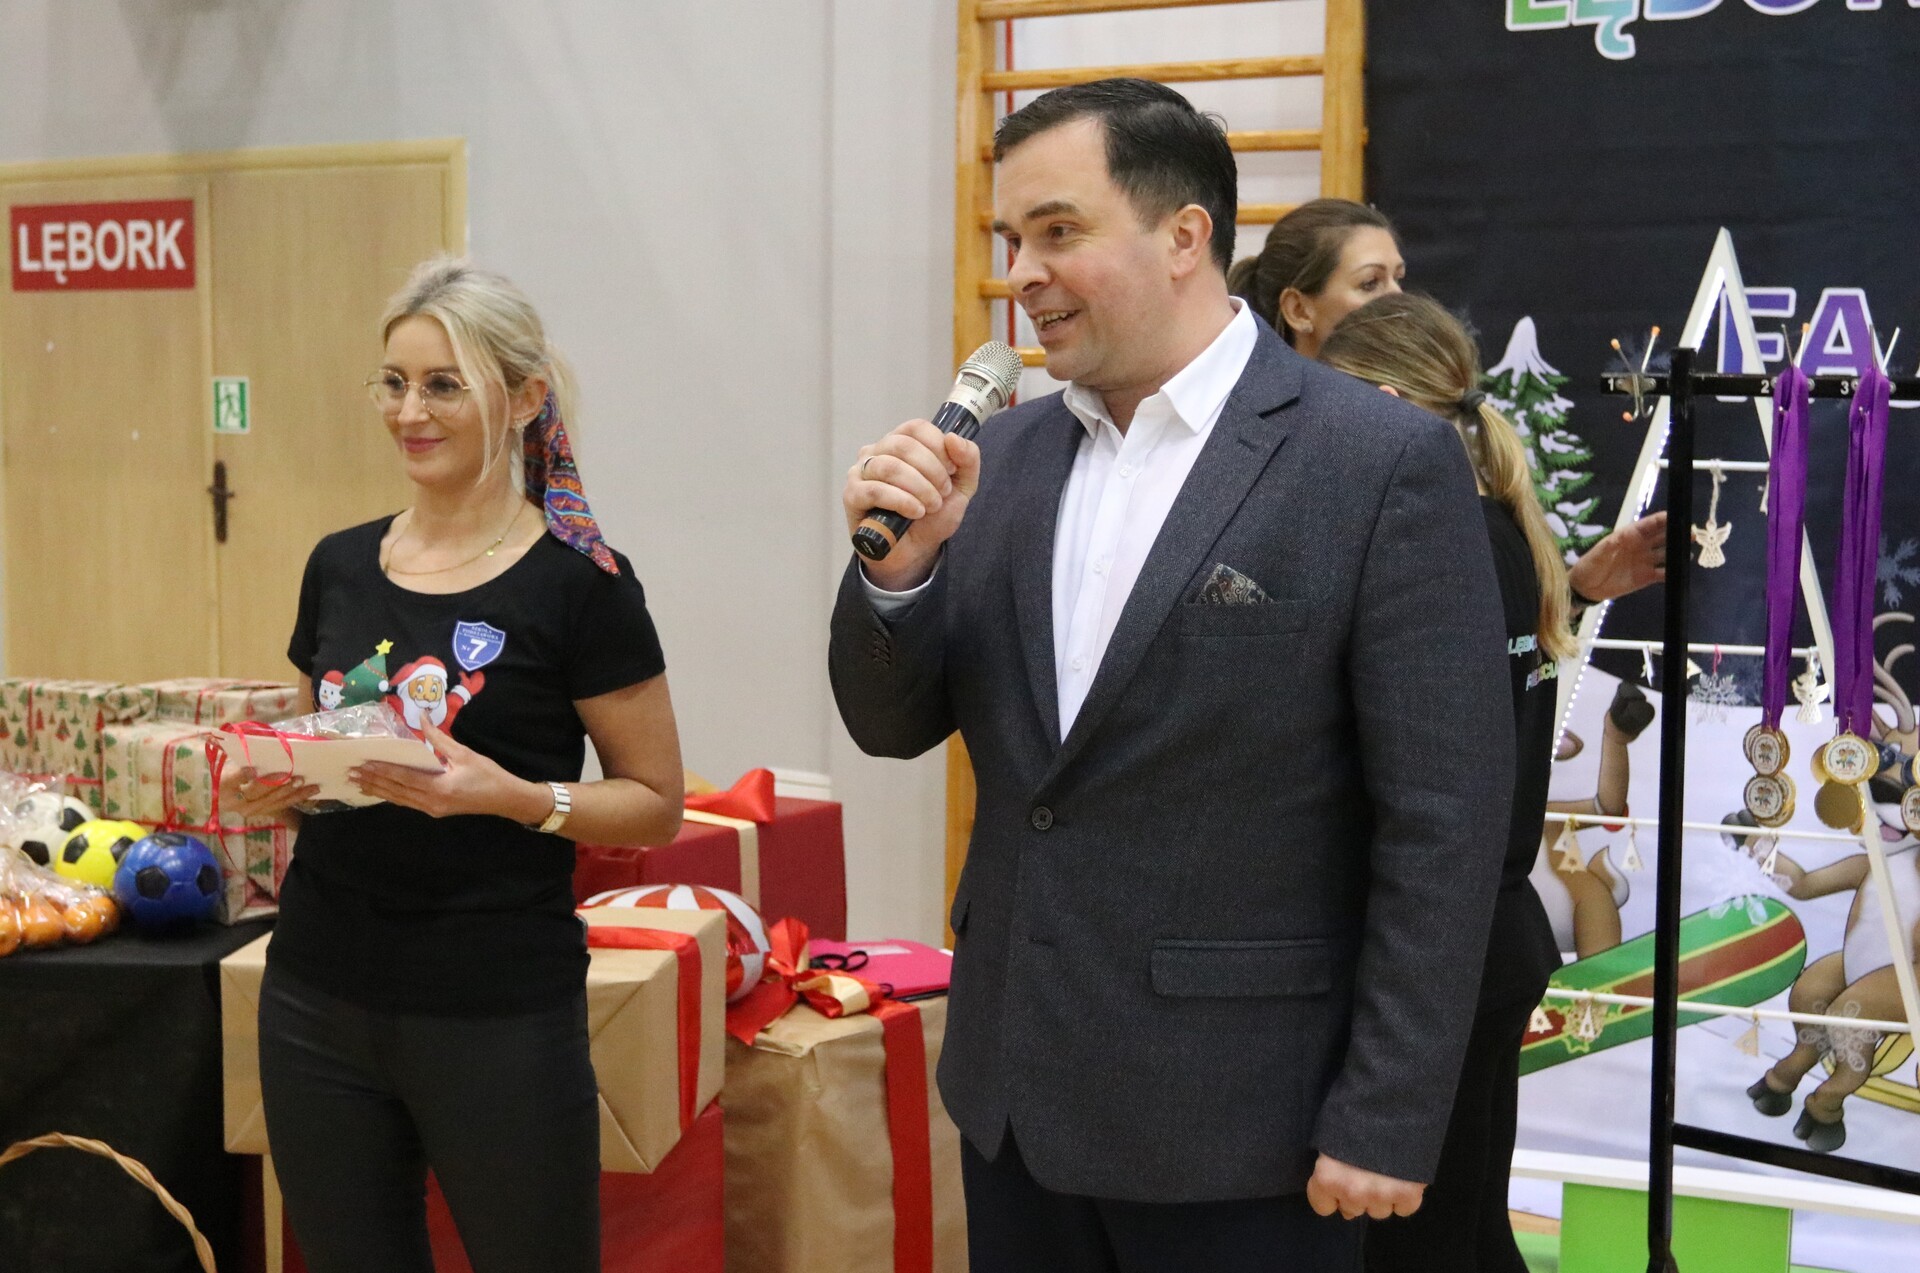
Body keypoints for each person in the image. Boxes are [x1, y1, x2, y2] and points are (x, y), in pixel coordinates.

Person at [830, 78, 1514, 1272]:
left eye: (1059, 230)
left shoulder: (1373, 460)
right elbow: (890, 725)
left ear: (1185, 235)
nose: (1023, 274)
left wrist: (1390, 1111)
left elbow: (1444, 821)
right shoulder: (1002, 456)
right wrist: (899, 575)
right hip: (1015, 1100)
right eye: (1013, 239)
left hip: (1248, 1125)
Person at [222, 258, 684, 1273]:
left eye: (443, 385)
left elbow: (655, 803)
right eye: (394, 382)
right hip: (317, 996)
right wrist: (280, 791)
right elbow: (329, 764)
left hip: (496, 1008)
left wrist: (513, 798)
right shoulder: (339, 564)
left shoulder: (583, 585)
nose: (409, 412)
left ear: (521, 398)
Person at [1318, 292, 1659, 1273]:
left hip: (1443, 948)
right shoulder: (1500, 531)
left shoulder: (1431, 548)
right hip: (1485, 938)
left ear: (1383, 406)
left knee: (1429, 1236)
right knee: (1464, 1222)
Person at [1232, 198, 1668, 667]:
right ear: (1299, 309)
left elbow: (1456, 645)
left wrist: (1571, 592)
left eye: (1399, 277)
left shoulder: (1442, 457)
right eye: (1370, 283)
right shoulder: (1257, 456)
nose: (1397, 298)